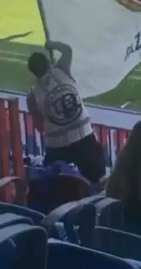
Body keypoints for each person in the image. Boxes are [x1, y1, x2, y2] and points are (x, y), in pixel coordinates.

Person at [26, 41, 106, 183]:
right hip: (85, 138)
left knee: (59, 186)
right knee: (97, 181)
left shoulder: (32, 96)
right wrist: (51, 44)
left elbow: (39, 126)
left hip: (57, 147)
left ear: (33, 72)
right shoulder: (61, 71)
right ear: (49, 63)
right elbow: (67, 50)